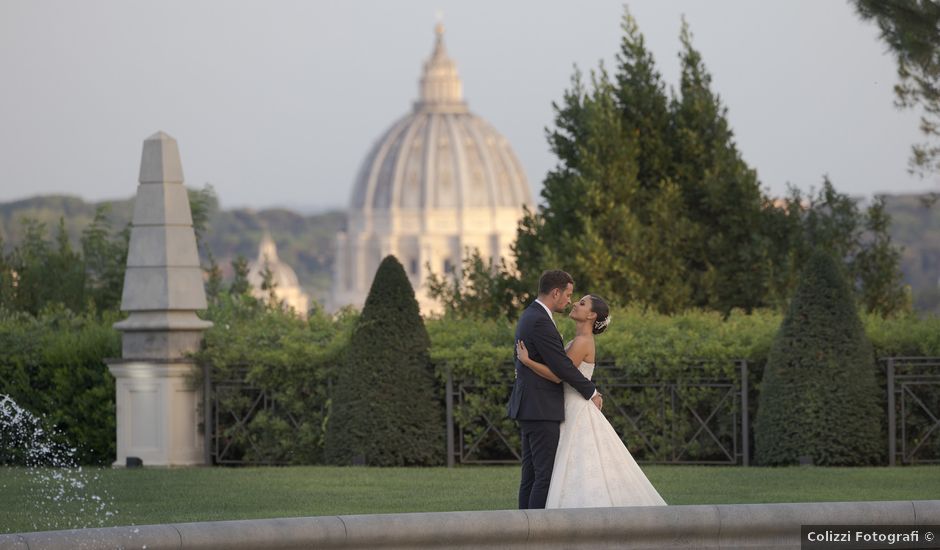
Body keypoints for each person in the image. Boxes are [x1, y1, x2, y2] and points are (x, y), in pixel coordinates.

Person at [516, 293, 667, 508]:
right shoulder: (575, 341)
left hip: (574, 408)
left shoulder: (582, 342)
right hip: (566, 406)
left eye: (582, 303)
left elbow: (559, 374)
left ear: (592, 315)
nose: (575, 303)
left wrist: (528, 361)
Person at [507, 270, 603, 509]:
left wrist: (527, 362)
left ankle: (525, 529)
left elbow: (558, 366)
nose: (570, 301)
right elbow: (562, 368)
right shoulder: (540, 320)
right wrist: (591, 391)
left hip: (532, 406)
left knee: (531, 476)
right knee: (544, 477)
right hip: (541, 409)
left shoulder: (530, 315)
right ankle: (535, 534)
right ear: (556, 292)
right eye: (569, 295)